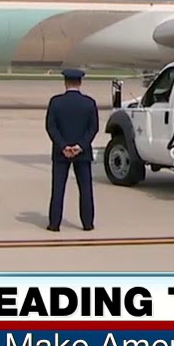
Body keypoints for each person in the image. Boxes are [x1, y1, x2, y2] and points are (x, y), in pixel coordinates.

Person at [45, 68, 100, 232]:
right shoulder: (89, 103)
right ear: (80, 82)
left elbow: (51, 127)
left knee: (58, 189)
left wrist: (63, 146)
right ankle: (87, 223)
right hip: (82, 153)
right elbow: (93, 128)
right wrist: (80, 146)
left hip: (61, 153)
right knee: (85, 189)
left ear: (65, 82)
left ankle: (54, 223)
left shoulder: (55, 102)